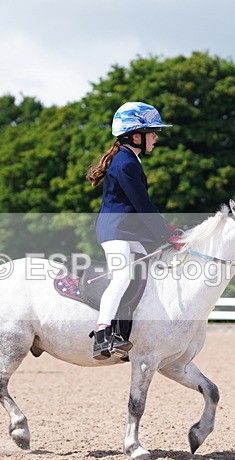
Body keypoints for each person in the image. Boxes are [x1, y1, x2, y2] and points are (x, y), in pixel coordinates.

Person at [85, 101, 181, 360]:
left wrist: (167, 230)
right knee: (122, 277)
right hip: (115, 232)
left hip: (128, 232)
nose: (156, 137)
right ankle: (103, 334)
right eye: (153, 132)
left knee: (143, 273)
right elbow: (142, 204)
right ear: (135, 135)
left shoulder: (129, 159)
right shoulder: (126, 163)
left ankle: (124, 331)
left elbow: (141, 207)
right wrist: (165, 234)